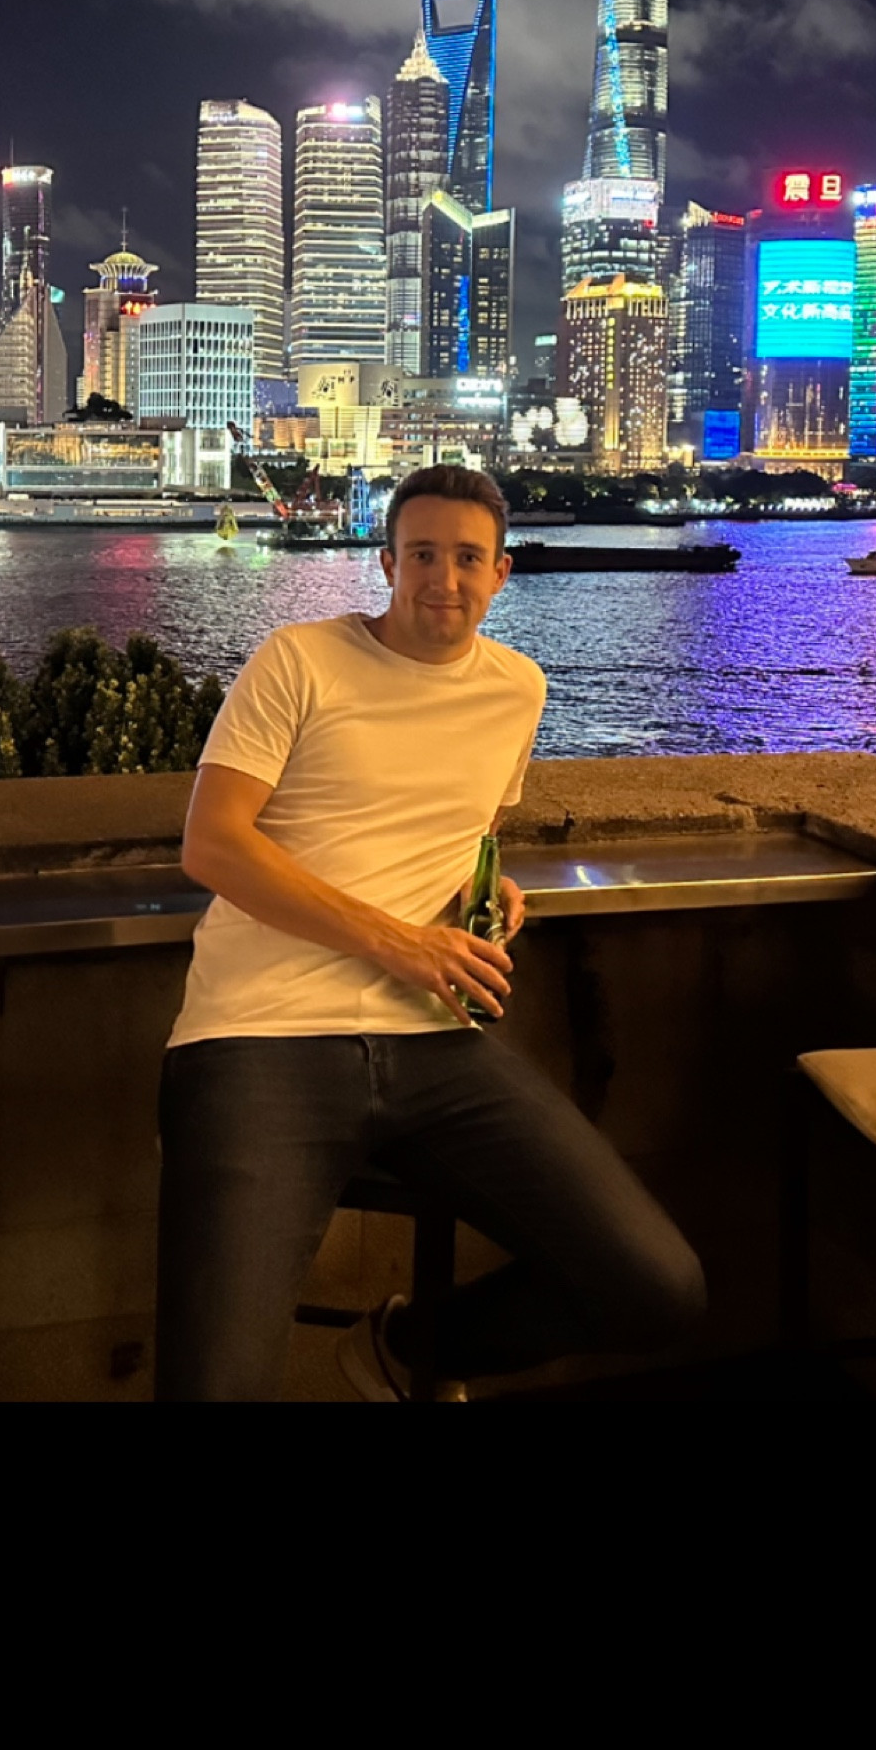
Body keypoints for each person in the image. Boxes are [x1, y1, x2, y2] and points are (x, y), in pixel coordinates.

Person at [153, 463, 707, 1401]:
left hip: (434, 1041)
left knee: (655, 1287)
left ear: (501, 573)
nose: (443, 579)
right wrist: (398, 942)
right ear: (387, 564)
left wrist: (484, 889)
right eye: (421, 555)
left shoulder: (517, 689)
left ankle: (409, 1349)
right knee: (216, 1383)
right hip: (258, 1034)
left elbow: (468, 828)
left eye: (466, 558)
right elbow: (212, 845)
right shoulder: (299, 659)